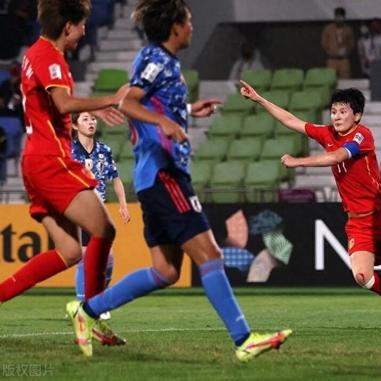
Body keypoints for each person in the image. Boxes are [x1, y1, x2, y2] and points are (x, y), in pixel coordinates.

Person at [66, 0, 291, 361]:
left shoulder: (163, 63)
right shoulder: (157, 59)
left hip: (154, 176)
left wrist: (185, 112)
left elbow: (148, 104)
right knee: (211, 255)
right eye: (188, 21)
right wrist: (167, 124)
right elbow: (128, 102)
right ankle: (244, 340)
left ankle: (87, 311)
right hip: (164, 174)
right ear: (174, 28)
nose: (192, 26)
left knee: (166, 270)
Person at [241, 81, 381, 328]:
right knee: (362, 277)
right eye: (334, 111)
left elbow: (338, 156)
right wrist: (259, 99)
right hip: (357, 220)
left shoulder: (362, 134)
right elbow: (291, 121)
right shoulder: (327, 134)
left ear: (356, 115)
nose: (336, 116)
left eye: (343, 111)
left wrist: (298, 161)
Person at [0, 0, 126, 342]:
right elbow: (63, 104)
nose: (85, 31)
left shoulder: (34, 54)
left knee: (71, 251)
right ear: (67, 25)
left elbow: (51, 112)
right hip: (50, 160)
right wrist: (108, 100)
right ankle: (90, 312)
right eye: (82, 24)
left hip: (36, 159)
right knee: (104, 229)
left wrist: (91, 113)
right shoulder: (49, 56)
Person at [71, 111, 130, 332]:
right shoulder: (68, 151)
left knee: (108, 260)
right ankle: (83, 304)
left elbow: (115, 179)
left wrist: (123, 204)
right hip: (79, 207)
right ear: (75, 126)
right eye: (85, 119)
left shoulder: (104, 150)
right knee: (86, 255)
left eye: (93, 119)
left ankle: (97, 301)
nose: (91, 122)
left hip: (101, 210)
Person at [321, 7, 354, 79]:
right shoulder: (328, 29)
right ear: (334, 17)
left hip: (344, 59)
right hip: (332, 59)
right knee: (330, 79)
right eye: (337, 16)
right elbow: (324, 42)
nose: (339, 18)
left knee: (345, 80)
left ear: (344, 17)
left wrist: (347, 51)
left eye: (341, 16)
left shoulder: (348, 29)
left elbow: (351, 44)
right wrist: (330, 51)